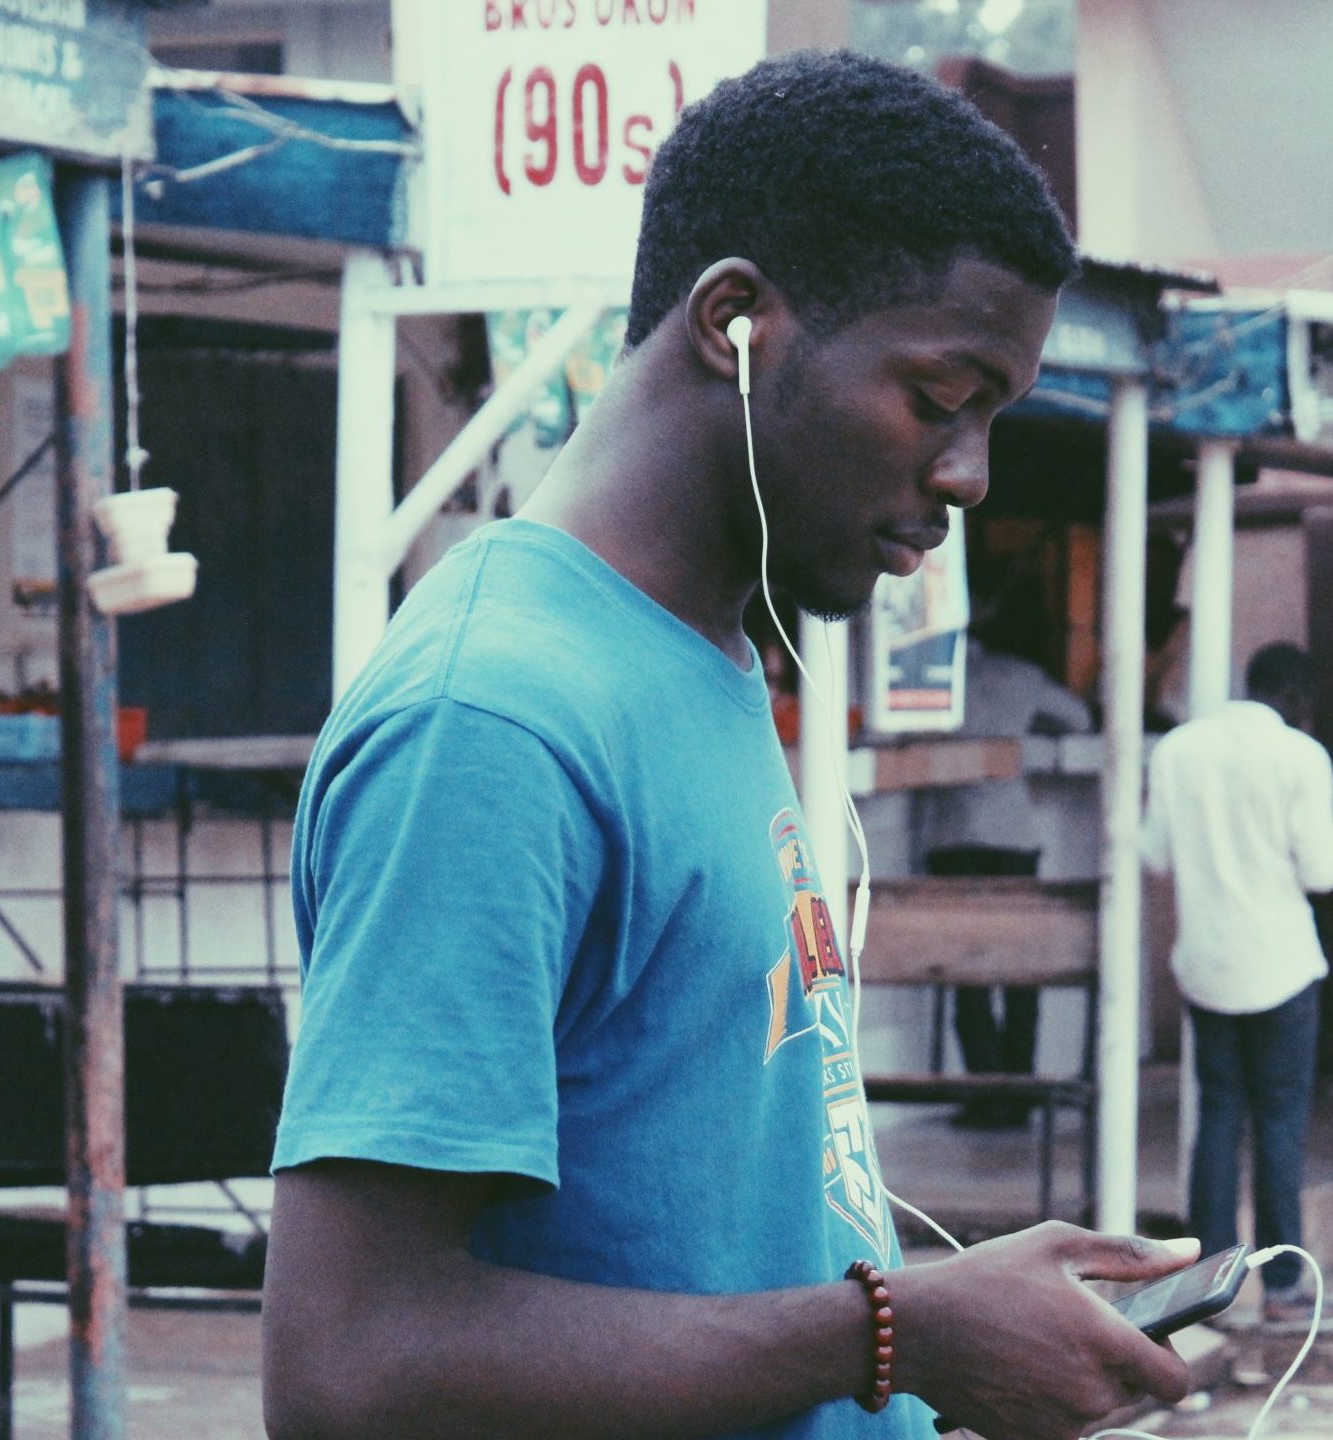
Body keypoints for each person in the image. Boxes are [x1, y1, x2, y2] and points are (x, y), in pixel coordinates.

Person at [262, 51, 1202, 1440]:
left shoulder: (700, 656)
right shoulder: (494, 722)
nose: (969, 477)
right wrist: (900, 1333)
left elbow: (701, 1247)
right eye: (943, 398)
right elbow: (350, 1365)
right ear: (736, 322)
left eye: (992, 417)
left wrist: (940, 1339)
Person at [1142, 643, 1333, 1325]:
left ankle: (1209, 1291)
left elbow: (1155, 855)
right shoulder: (1300, 757)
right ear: (1293, 696)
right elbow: (1322, 872)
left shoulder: (1177, 751)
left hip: (1206, 966)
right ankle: (1285, 1285)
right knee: (1280, 1123)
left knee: (1218, 1120)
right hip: (1283, 966)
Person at [917, 578, 1092, 1128]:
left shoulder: (931, 678)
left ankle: (986, 1096)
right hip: (1014, 835)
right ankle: (1019, 1093)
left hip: (952, 837)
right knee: (1021, 973)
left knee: (964, 972)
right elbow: (1081, 721)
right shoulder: (1022, 676)